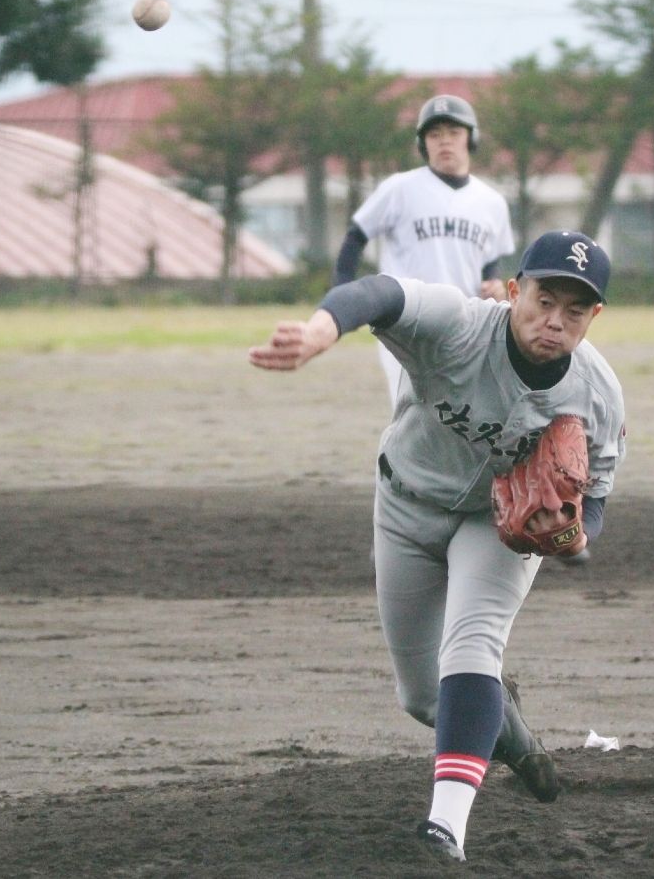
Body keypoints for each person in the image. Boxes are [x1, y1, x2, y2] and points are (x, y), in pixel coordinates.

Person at [250, 229, 626, 863]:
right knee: (424, 696)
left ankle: (445, 829)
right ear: (514, 291)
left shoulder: (597, 393)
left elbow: (599, 495)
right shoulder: (458, 326)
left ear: (595, 317)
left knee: (473, 646)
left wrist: (575, 531)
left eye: (576, 309)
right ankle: (510, 735)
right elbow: (380, 292)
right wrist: (322, 329)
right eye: (543, 300)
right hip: (405, 506)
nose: (554, 321)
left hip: (496, 527)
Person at [333, 93, 516, 409]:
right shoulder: (400, 188)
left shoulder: (492, 202)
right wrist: (342, 293)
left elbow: (490, 262)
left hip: (466, 323)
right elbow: (356, 236)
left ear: (471, 138)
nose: (445, 141)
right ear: (423, 143)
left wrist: (494, 285)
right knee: (411, 410)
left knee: (462, 412)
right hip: (405, 320)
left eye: (454, 132)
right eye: (435, 134)